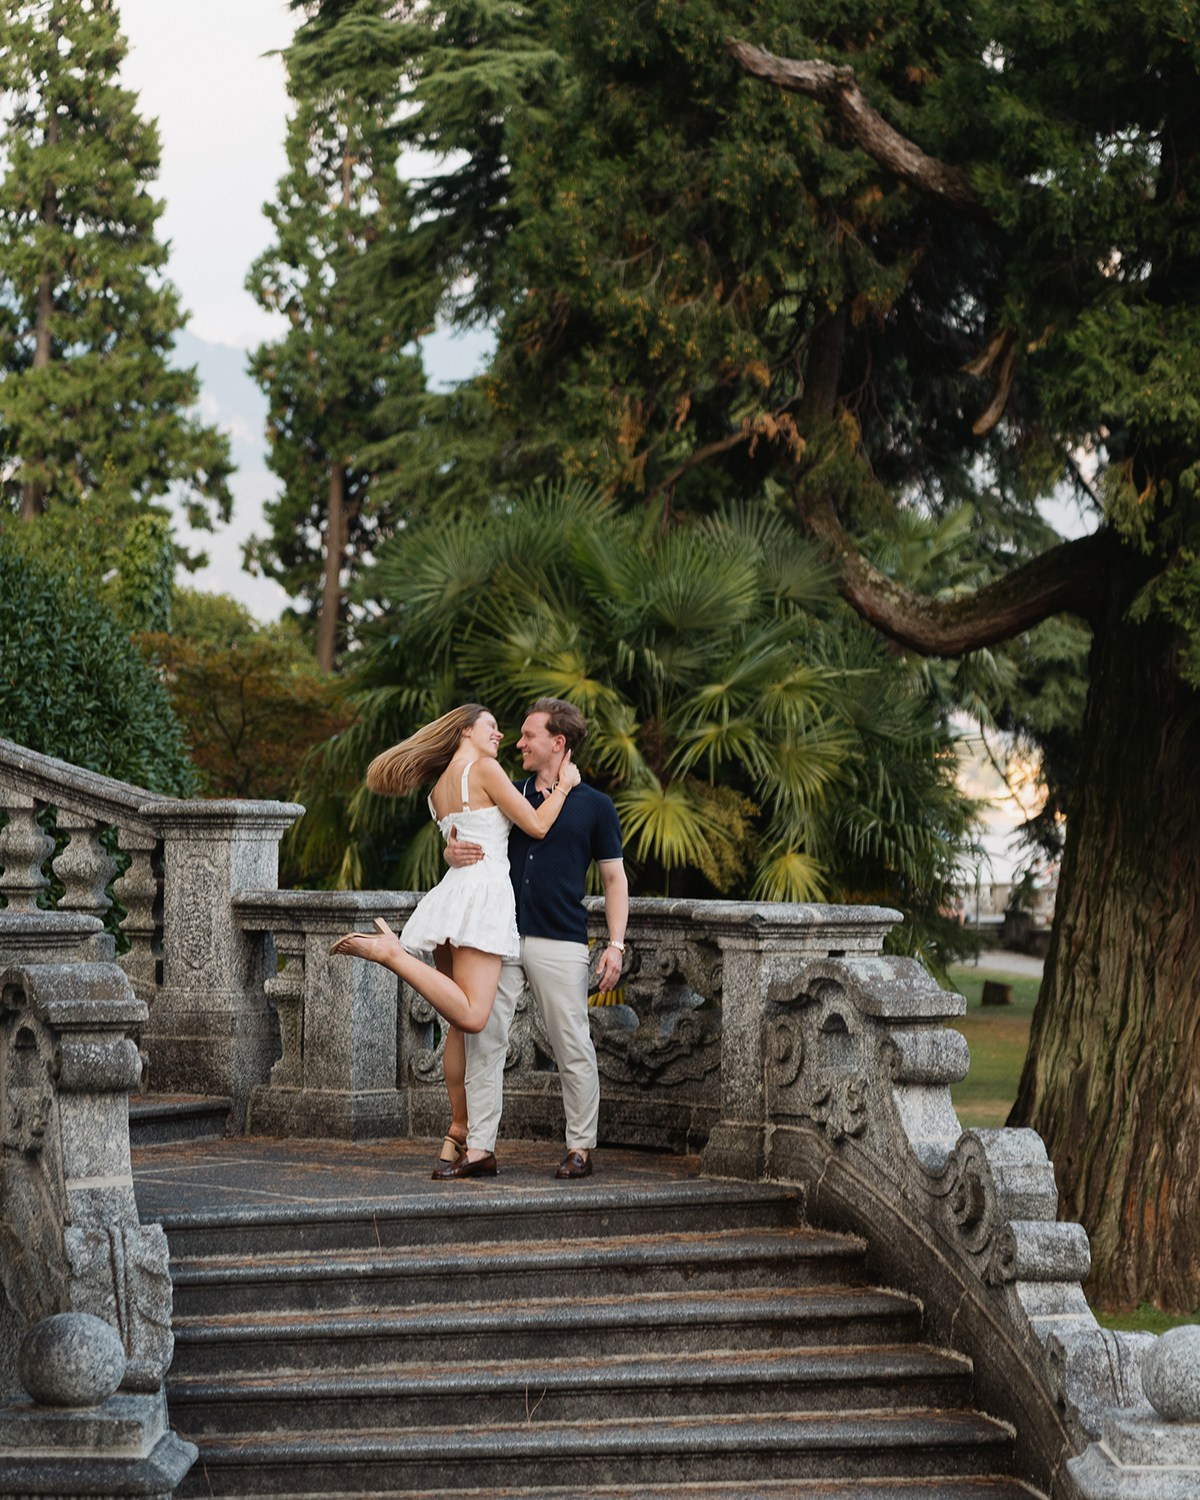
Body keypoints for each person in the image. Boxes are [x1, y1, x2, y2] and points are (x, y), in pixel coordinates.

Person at [329, 705, 581, 1167]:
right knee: (474, 1016)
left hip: (452, 896)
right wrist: (565, 785)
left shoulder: (440, 787)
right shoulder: (484, 768)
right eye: (492, 726)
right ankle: (393, 954)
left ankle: (457, 1133)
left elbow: (464, 836)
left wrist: (448, 851)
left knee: (456, 1031)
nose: (500, 735)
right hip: (482, 899)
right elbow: (538, 825)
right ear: (466, 730)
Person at [432, 697, 627, 1182]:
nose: (518, 743)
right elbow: (468, 833)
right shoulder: (504, 790)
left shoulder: (596, 806)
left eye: (528, 736)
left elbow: (614, 880)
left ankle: (580, 1146)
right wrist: (450, 849)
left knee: (571, 1043)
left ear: (557, 743)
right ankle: (479, 1149)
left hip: (561, 940)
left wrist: (617, 944)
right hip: (499, 936)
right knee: (485, 1040)